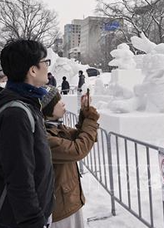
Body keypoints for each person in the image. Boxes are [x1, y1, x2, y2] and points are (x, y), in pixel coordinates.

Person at [0, 39, 54, 228]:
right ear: (33, 70)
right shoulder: (16, 113)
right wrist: (32, 220)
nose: (48, 67)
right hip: (17, 219)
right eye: (45, 62)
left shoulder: (24, 104)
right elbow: (19, 174)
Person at [41, 87, 99, 228]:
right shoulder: (45, 137)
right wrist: (90, 119)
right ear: (48, 110)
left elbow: (82, 136)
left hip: (69, 199)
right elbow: (78, 149)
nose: (63, 103)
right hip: (60, 208)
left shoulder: (56, 128)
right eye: (58, 101)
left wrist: (85, 114)